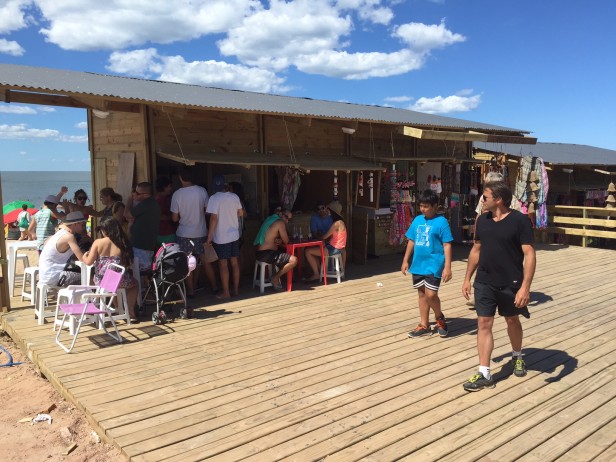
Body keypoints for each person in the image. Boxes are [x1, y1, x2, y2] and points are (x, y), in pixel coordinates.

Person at [461, 181, 536, 392]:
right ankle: (484, 372)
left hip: (510, 282)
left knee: (512, 320)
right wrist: (467, 277)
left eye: (484, 197)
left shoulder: (520, 221)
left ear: (498, 200)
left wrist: (525, 287)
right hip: (484, 281)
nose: (481, 201)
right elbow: (476, 249)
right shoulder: (481, 220)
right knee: (484, 323)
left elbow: (530, 254)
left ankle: (517, 356)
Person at [400, 189, 453, 338]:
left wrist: (448, 267)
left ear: (435, 206)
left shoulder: (442, 222)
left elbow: (447, 244)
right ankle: (424, 325)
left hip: (434, 264)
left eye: (426, 206)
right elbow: (411, 240)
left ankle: (439, 318)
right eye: (421, 206)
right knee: (422, 294)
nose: (423, 209)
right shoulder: (417, 220)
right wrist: (405, 260)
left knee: (431, 295)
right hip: (418, 264)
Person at [171, 167, 218, 297]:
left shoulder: (177, 194)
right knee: (206, 261)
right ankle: (214, 287)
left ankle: (191, 291)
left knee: (187, 263)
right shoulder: (202, 191)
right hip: (201, 232)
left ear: (180, 178)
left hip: (184, 234)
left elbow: (174, 218)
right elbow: (208, 211)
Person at [83, 217, 139, 322]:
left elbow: (89, 262)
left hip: (101, 282)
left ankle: (117, 309)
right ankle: (130, 312)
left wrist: (84, 256)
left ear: (105, 230)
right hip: (117, 281)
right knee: (134, 284)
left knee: (108, 284)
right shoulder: (122, 243)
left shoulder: (98, 242)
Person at [206, 175, 244, 299]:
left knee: (223, 264)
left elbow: (213, 218)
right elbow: (241, 213)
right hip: (234, 235)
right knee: (234, 262)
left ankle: (226, 292)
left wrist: (209, 237)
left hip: (221, 236)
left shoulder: (214, 198)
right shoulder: (234, 196)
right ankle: (236, 290)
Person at [38, 211, 88, 287]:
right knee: (89, 277)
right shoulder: (69, 236)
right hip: (54, 277)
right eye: (82, 224)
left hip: (46, 275)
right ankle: (92, 298)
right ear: (75, 224)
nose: (84, 227)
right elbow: (82, 258)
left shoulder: (60, 233)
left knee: (80, 272)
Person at [254, 208, 297, 291]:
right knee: (294, 260)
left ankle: (277, 276)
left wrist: (279, 240)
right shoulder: (280, 222)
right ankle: (275, 278)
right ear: (281, 214)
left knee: (283, 254)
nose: (287, 221)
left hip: (260, 253)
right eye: (286, 218)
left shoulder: (270, 219)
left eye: (289, 219)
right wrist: (281, 241)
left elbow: (271, 236)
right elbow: (287, 241)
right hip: (266, 254)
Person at [304, 201, 346, 281]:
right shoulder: (341, 222)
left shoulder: (336, 224)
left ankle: (316, 274)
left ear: (333, 211)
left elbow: (324, 237)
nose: (327, 211)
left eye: (328, 209)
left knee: (308, 251)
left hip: (333, 249)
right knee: (312, 251)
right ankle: (320, 271)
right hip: (338, 248)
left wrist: (321, 236)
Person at [125, 182, 161, 271]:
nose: (134, 194)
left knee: (140, 273)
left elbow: (126, 214)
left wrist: (129, 200)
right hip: (145, 246)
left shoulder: (146, 204)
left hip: (141, 246)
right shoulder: (151, 203)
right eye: (134, 191)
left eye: (137, 193)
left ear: (146, 195)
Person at [155, 176, 177, 245]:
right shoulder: (159, 200)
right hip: (165, 234)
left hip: (164, 233)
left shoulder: (163, 199)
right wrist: (172, 217)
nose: (171, 189)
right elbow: (159, 216)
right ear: (164, 187)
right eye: (169, 186)